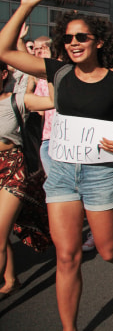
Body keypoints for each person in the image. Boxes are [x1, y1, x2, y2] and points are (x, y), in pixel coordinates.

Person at [0, 0, 113, 330]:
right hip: (61, 174)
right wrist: (26, 6)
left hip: (100, 174)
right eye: (68, 38)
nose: (73, 43)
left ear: (98, 41)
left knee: (109, 250)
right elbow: (4, 50)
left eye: (81, 37)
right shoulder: (58, 72)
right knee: (67, 257)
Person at [0, 60, 53, 300]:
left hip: (15, 167)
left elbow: (54, 102)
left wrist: (48, 71)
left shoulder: (18, 99)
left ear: (3, 74)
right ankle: (11, 279)